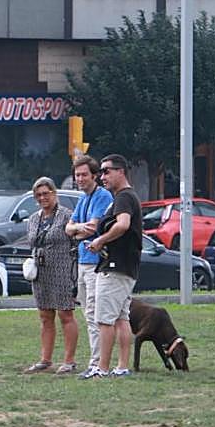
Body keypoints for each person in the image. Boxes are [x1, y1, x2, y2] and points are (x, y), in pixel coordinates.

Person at [82, 154, 143, 379]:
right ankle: (122, 366)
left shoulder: (124, 197)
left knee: (104, 319)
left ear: (121, 172)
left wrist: (100, 241)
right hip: (124, 266)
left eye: (107, 171)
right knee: (121, 318)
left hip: (115, 267)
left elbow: (123, 225)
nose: (102, 176)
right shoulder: (125, 197)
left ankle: (102, 368)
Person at [22, 177, 79, 374]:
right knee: (45, 316)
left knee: (65, 313)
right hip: (41, 272)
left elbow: (76, 240)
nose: (42, 198)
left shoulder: (66, 216)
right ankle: (45, 359)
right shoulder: (34, 219)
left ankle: (69, 360)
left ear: (54, 193)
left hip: (62, 269)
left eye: (46, 193)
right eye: (38, 195)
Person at [64, 155, 114, 378]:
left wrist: (78, 229)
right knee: (87, 313)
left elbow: (92, 229)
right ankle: (95, 360)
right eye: (77, 175)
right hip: (82, 262)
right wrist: (77, 229)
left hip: (96, 263)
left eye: (84, 174)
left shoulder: (102, 196)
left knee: (95, 314)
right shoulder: (83, 198)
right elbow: (68, 228)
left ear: (94, 175)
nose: (80, 179)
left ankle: (97, 363)